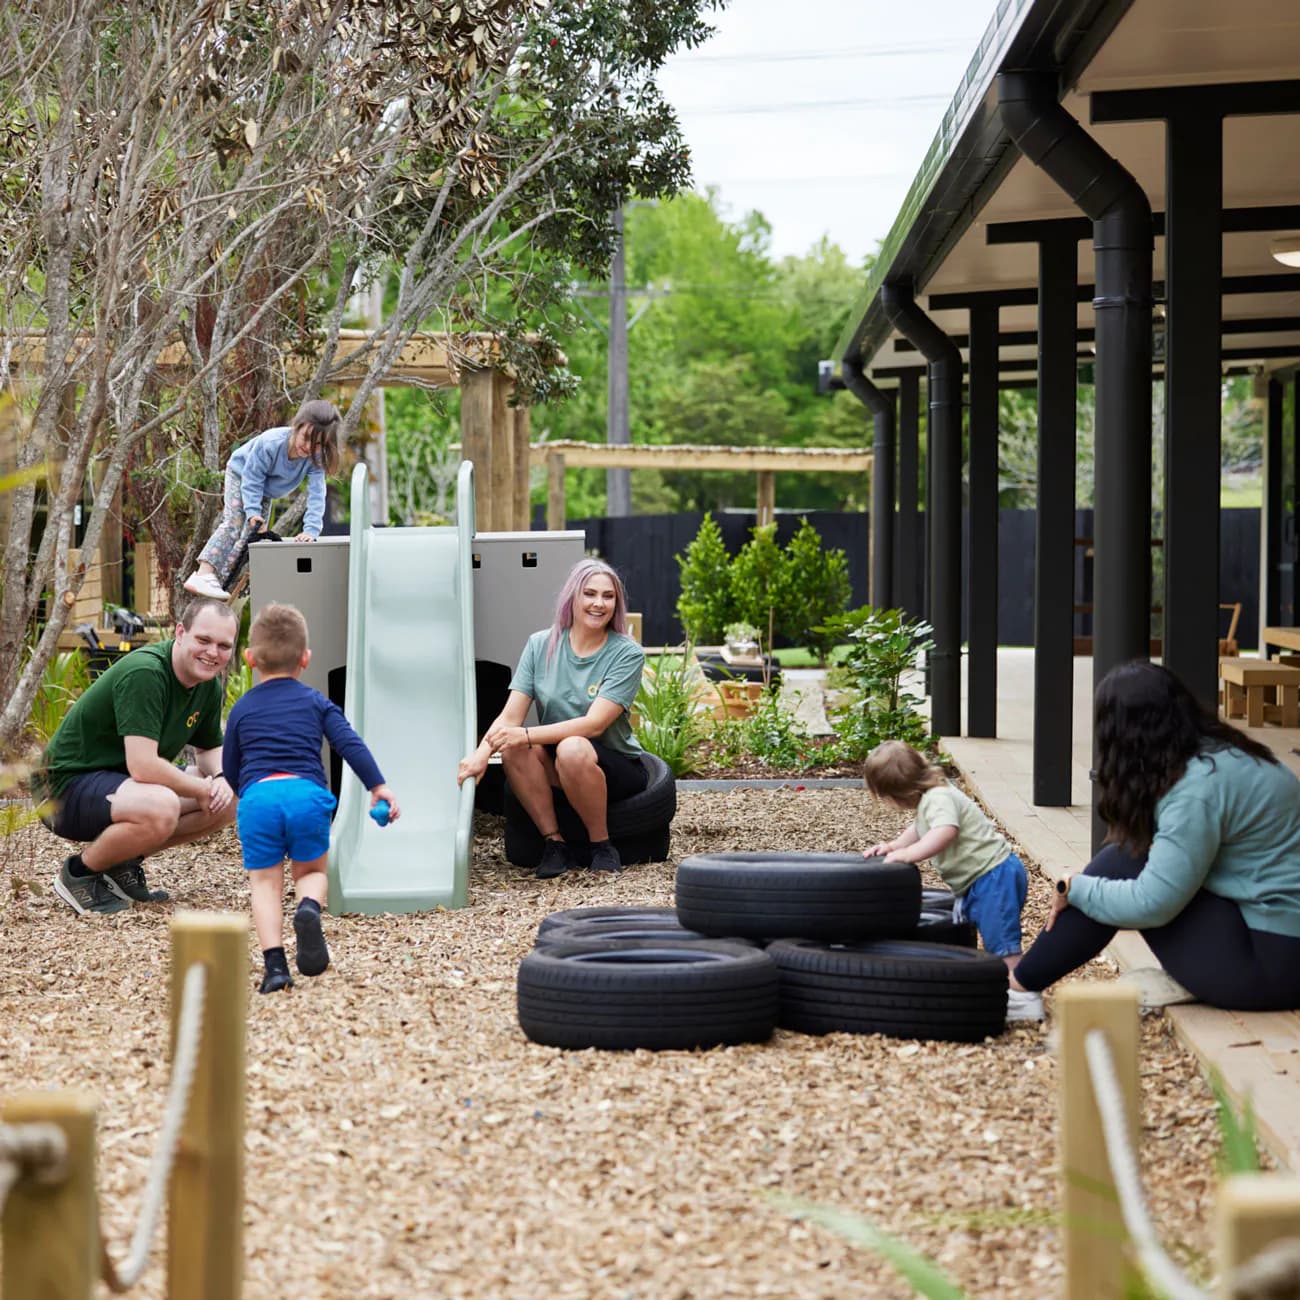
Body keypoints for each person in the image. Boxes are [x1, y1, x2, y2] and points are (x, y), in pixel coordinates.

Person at [1011, 661, 1300, 1011]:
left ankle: (1019, 989)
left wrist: (1075, 888)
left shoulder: (1196, 790)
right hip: (1277, 945)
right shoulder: (1223, 754)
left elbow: (1153, 904)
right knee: (1127, 857)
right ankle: (1022, 984)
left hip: (1272, 969)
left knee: (1122, 863)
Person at [223, 602, 400, 993]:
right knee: (313, 872)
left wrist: (245, 796)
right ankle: (307, 908)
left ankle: (274, 968)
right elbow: (349, 745)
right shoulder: (316, 702)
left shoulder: (241, 708)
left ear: (250, 659)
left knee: (265, 884)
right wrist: (378, 786)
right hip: (306, 796)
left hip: (260, 798)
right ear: (305, 659)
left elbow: (230, 765)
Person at [36, 599, 239, 916]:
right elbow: (143, 765)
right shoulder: (147, 673)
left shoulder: (207, 685)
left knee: (230, 798)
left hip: (119, 785)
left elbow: (208, 749)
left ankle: (120, 864)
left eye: (223, 645)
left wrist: (224, 779)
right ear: (181, 632)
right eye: (204, 640)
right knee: (163, 806)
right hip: (63, 789)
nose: (213, 652)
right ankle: (80, 873)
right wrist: (202, 789)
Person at [457, 559, 645, 879]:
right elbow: (510, 716)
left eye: (608, 596)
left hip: (613, 765)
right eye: (589, 593)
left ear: (617, 604)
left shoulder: (626, 653)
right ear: (572, 598)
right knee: (514, 746)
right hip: (558, 761)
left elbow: (594, 725)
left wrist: (527, 736)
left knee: (570, 747)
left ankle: (601, 845)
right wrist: (480, 755)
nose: (599, 603)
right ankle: (555, 845)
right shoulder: (540, 645)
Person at [863, 739, 1043, 1022]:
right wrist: (894, 846)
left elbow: (944, 831)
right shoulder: (931, 799)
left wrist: (909, 855)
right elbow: (921, 828)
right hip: (985, 878)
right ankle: (1010, 989)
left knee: (1002, 943)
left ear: (898, 793)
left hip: (994, 875)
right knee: (996, 937)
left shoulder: (939, 798)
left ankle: (1024, 1000)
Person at [182, 399, 342, 600]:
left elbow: (317, 494)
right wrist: (252, 511)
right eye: (306, 438)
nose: (309, 447)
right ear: (297, 426)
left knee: (250, 535)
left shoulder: (314, 459)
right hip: (242, 474)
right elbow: (252, 477)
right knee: (234, 523)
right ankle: (204, 572)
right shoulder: (272, 443)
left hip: (265, 491)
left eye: (318, 444)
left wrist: (311, 530)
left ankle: (221, 581)